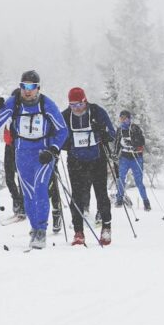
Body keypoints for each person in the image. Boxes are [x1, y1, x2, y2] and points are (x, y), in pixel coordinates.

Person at [0, 71, 68, 250]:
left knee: (40, 188)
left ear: (38, 88)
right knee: (29, 193)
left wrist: (53, 149)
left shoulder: (46, 104)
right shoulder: (14, 103)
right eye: (23, 86)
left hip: (43, 154)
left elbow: (63, 130)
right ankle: (35, 227)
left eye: (31, 87)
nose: (27, 91)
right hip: (22, 153)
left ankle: (41, 230)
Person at [60, 87, 115, 246]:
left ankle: (106, 227)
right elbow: (58, 138)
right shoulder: (65, 116)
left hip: (97, 158)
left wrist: (102, 133)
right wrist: (66, 144)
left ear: (85, 100)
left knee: (101, 193)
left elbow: (112, 133)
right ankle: (78, 232)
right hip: (76, 161)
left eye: (80, 104)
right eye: (73, 105)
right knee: (77, 196)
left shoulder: (97, 112)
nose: (77, 108)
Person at [115, 109, 150, 211]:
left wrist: (134, 144)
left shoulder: (135, 128)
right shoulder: (120, 130)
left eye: (125, 118)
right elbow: (117, 144)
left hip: (136, 157)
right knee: (121, 178)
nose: (123, 120)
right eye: (121, 118)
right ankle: (119, 199)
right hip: (125, 157)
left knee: (139, 181)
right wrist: (115, 154)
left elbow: (142, 141)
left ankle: (146, 202)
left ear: (129, 119)